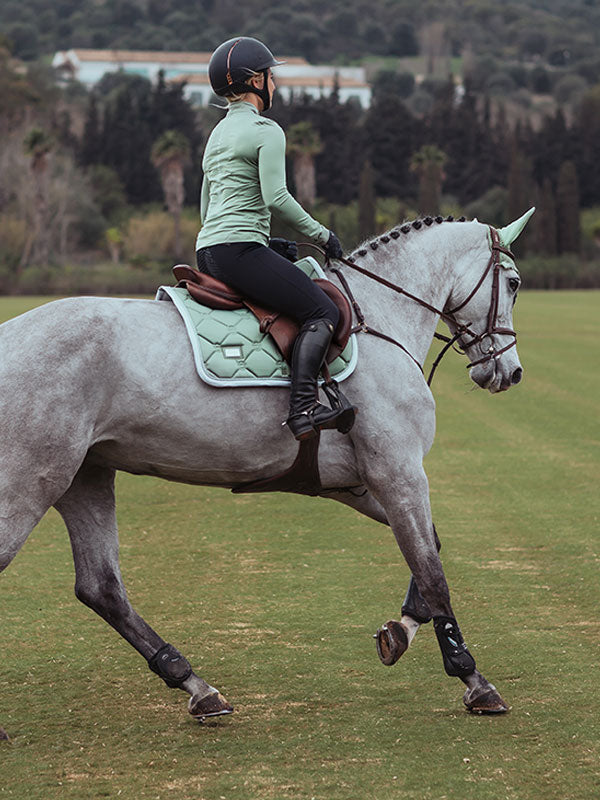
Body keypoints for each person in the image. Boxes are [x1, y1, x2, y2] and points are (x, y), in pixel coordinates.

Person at [195, 36, 356, 441]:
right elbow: (276, 198)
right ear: (257, 81)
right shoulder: (266, 131)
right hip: (238, 250)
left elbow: (206, 210)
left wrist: (265, 245)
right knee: (323, 312)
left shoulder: (216, 136)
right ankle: (303, 407)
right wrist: (322, 234)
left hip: (209, 251)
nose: (274, 85)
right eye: (271, 76)